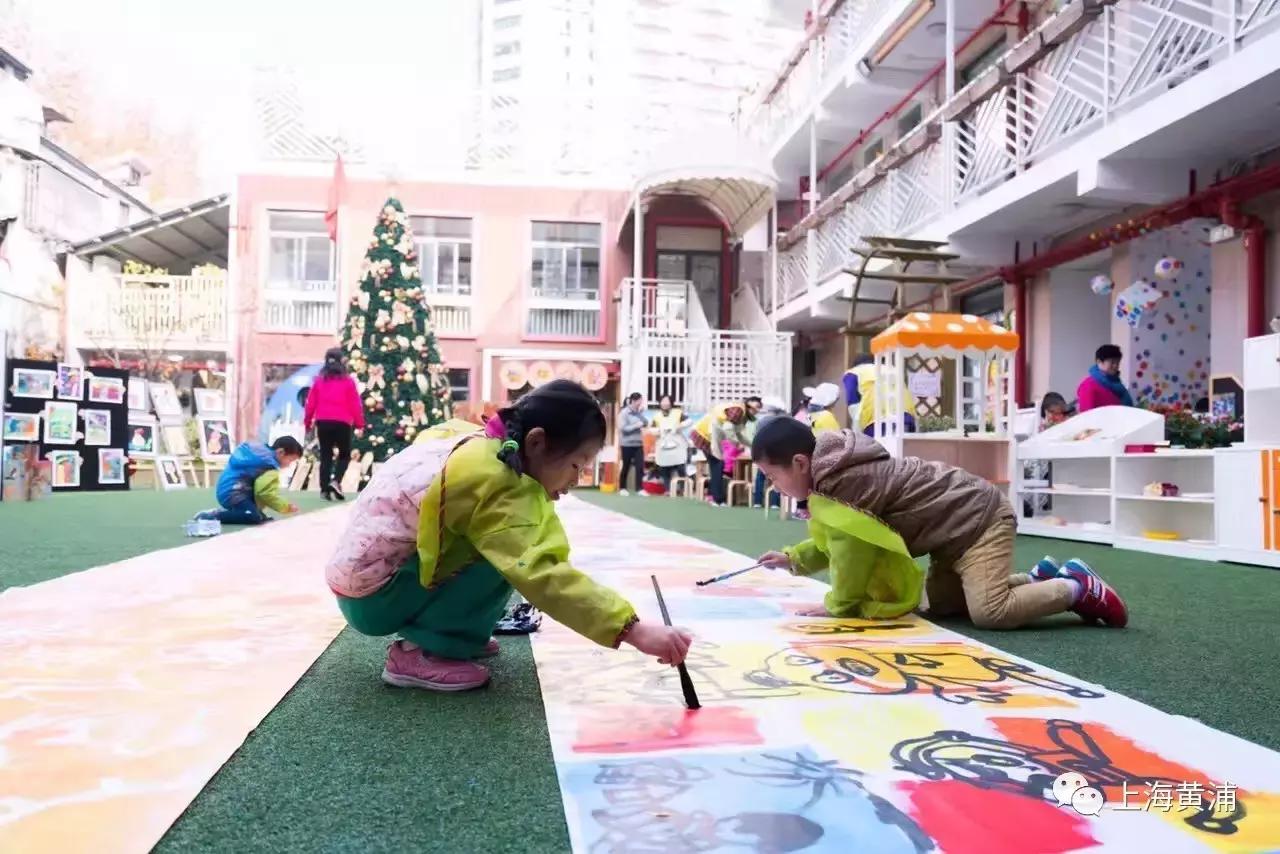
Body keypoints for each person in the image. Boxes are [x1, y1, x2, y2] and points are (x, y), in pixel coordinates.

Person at [324, 380, 693, 692]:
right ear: (536, 443)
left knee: (500, 544)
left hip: (365, 584)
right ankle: (423, 652)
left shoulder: (485, 446)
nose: (576, 480)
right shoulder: (497, 481)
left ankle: (455, 631)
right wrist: (634, 631)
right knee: (508, 555)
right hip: (375, 599)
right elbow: (542, 573)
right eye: (576, 466)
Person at [751, 418, 1128, 628]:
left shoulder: (842, 483)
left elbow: (853, 551)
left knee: (990, 613)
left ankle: (1077, 588)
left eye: (772, 476)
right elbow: (837, 541)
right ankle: (1036, 579)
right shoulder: (831, 476)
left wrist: (838, 604)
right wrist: (793, 559)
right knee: (944, 606)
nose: (773, 486)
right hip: (951, 536)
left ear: (801, 463)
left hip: (978, 522)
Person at [195, 436, 303, 526]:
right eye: (290, 460)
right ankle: (212, 516)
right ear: (281, 452)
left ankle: (250, 513)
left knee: (259, 517)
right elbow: (264, 493)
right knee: (252, 516)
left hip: (231, 489)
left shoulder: (258, 455)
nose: (289, 465)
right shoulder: (270, 466)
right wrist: (285, 506)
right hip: (233, 493)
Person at [304, 347, 366, 501]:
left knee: (326, 455)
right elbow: (355, 404)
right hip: (342, 422)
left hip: (323, 422)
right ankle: (336, 481)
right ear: (341, 361)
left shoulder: (319, 381)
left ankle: (324, 489)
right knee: (344, 454)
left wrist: (307, 423)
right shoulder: (348, 381)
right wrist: (359, 424)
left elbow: (310, 403)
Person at [690, 400, 753, 507]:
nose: (757, 411)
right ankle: (717, 499)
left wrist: (751, 444)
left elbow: (738, 435)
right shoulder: (738, 410)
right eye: (755, 408)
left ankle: (713, 496)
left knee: (716, 466)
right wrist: (737, 444)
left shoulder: (740, 416)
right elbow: (728, 429)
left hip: (705, 434)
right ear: (748, 407)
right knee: (718, 466)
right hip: (704, 435)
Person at [843, 355, 917, 436]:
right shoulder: (890, 369)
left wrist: (856, 428)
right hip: (905, 415)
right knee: (900, 446)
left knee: (879, 447)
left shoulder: (853, 372)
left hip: (877, 418)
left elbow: (852, 402)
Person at [751, 397, 789, 509]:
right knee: (777, 476)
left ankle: (757, 501)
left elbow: (755, 437)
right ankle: (775, 503)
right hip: (777, 451)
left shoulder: (761, 421)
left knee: (760, 477)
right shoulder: (783, 421)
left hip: (762, 451)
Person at [651, 394, 690, 493]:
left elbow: (689, 421)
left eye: (667, 401)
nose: (665, 403)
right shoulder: (656, 416)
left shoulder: (678, 413)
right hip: (663, 444)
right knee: (664, 468)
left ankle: (683, 489)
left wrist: (678, 426)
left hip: (677, 443)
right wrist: (659, 430)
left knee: (681, 467)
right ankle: (668, 489)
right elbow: (651, 429)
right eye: (663, 401)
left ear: (671, 402)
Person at [1076, 345, 1133, 412]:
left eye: (1118, 362)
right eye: (1112, 362)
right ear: (1099, 362)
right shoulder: (1088, 385)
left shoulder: (1116, 383)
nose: (1116, 366)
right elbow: (1086, 416)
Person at [618, 392, 647, 496]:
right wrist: (636, 425)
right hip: (627, 444)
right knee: (626, 465)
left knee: (640, 466)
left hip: (638, 443)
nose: (641, 403)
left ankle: (639, 488)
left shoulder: (638, 412)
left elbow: (646, 422)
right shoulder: (624, 413)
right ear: (633, 401)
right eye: (639, 401)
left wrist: (641, 415)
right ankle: (622, 487)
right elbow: (623, 428)